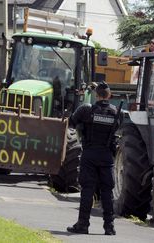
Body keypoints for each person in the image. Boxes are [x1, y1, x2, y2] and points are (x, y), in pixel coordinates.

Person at [67, 81, 120, 235]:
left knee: (87, 190)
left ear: (96, 95)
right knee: (107, 192)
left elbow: (71, 122)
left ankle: (83, 225)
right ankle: (109, 227)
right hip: (106, 156)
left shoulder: (86, 109)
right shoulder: (117, 112)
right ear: (109, 95)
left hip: (89, 155)